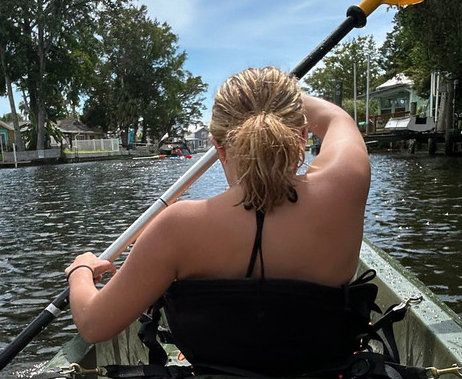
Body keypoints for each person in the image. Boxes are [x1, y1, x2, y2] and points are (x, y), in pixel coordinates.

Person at [65, 66, 371, 355]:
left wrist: (81, 270)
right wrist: (274, 95)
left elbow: (93, 324)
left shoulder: (178, 228)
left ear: (219, 147)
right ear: (303, 135)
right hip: (322, 378)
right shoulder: (344, 185)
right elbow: (336, 119)